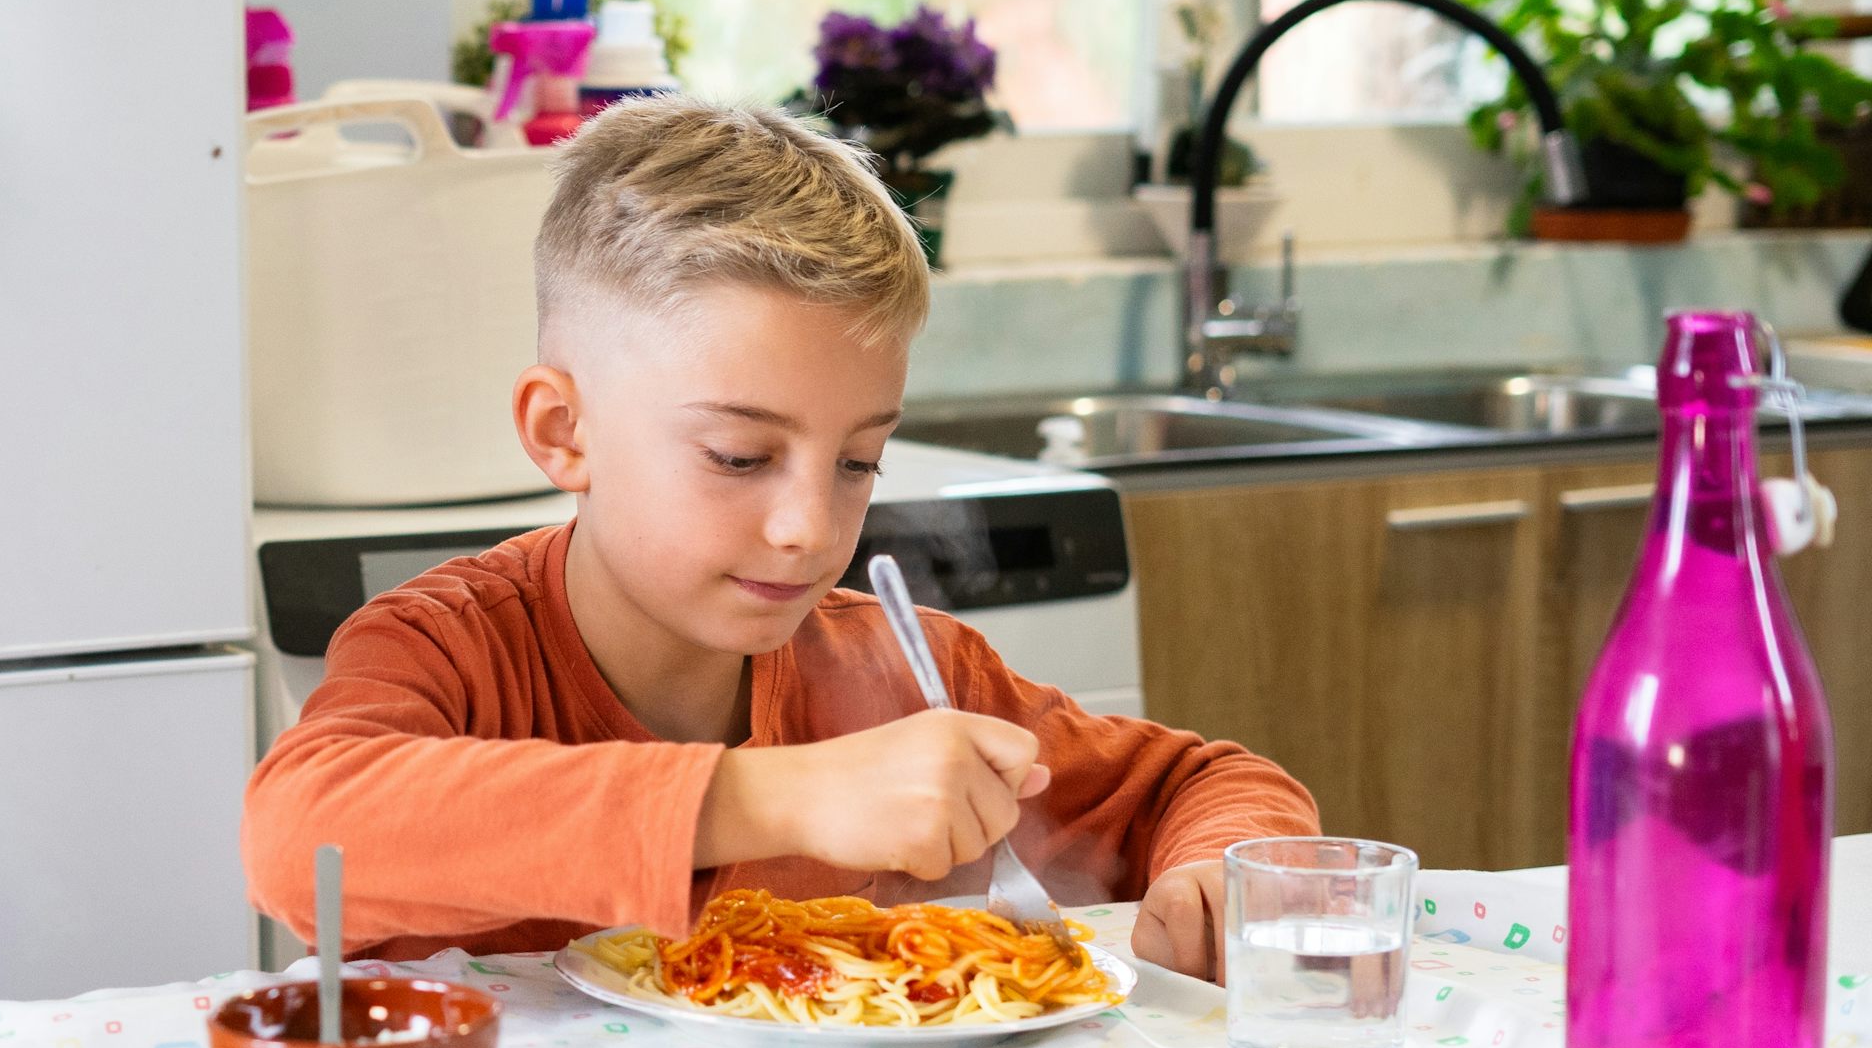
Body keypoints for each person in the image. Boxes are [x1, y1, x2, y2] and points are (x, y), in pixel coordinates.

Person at [241, 94, 1318, 984]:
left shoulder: (910, 674)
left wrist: (1220, 875)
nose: (810, 528)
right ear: (564, 431)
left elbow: (1205, 781)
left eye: (858, 462)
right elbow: (301, 836)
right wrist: (780, 794)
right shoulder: (451, 646)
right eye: (740, 457)